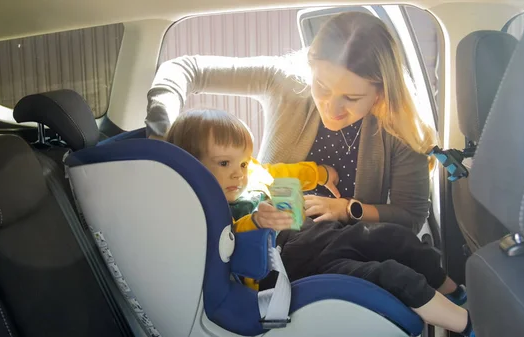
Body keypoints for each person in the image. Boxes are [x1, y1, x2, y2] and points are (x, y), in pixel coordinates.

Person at [164, 108, 473, 337]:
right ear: (193, 168)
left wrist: (320, 173)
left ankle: (454, 292)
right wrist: (257, 222)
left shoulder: (251, 176)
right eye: (223, 163)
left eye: (243, 162)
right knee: (391, 275)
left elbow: (283, 172)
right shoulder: (208, 208)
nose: (238, 174)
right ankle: (469, 326)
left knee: (396, 238)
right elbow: (226, 248)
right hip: (289, 266)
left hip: (316, 233)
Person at [145, 11, 435, 234]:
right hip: (272, 245)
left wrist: (347, 208)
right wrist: (162, 144)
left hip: (350, 251)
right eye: (321, 86)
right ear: (309, 67)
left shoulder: (399, 129)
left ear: (380, 94)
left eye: (351, 97)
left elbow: (409, 218)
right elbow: (183, 68)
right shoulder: (285, 80)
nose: (331, 108)